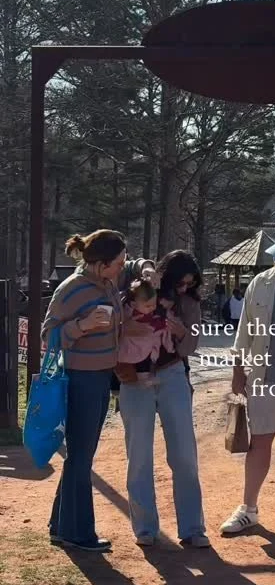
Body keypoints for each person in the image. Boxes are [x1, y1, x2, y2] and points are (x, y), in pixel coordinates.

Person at [220, 228, 275, 536]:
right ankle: (248, 508)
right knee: (259, 442)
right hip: (262, 378)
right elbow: (244, 330)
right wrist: (237, 369)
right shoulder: (260, 282)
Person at [118, 250, 209, 548]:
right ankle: (145, 528)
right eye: (180, 282)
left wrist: (182, 333)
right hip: (135, 379)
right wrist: (146, 268)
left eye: (190, 284)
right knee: (139, 455)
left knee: (184, 454)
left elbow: (191, 346)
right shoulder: (143, 287)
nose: (184, 288)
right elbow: (127, 267)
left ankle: (193, 528)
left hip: (172, 374)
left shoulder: (190, 303)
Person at [43, 229, 127, 553]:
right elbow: (48, 335)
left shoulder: (107, 284)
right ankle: (78, 533)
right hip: (81, 378)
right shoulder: (71, 289)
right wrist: (83, 325)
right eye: (119, 263)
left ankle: (60, 526)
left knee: (80, 455)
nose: (122, 267)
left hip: (101, 376)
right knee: (80, 457)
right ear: (102, 263)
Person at [116, 278, 175, 385]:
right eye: (148, 306)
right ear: (134, 304)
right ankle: (143, 378)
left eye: (154, 304)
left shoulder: (151, 313)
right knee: (140, 360)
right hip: (131, 345)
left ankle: (145, 377)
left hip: (143, 345)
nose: (152, 308)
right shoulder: (130, 313)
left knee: (145, 359)